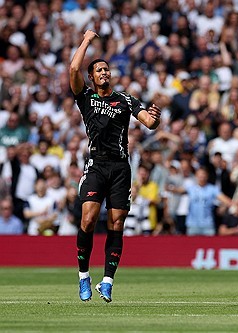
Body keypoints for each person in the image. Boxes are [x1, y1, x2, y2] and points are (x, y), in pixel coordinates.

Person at [69, 30, 162, 303]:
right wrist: (86, 41)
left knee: (117, 223)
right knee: (87, 219)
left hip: (121, 168)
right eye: (99, 70)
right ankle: (83, 277)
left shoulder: (124, 99)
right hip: (97, 164)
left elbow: (148, 122)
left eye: (107, 69)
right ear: (91, 77)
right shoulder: (85, 97)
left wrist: (156, 120)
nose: (105, 73)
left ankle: (107, 282)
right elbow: (74, 67)